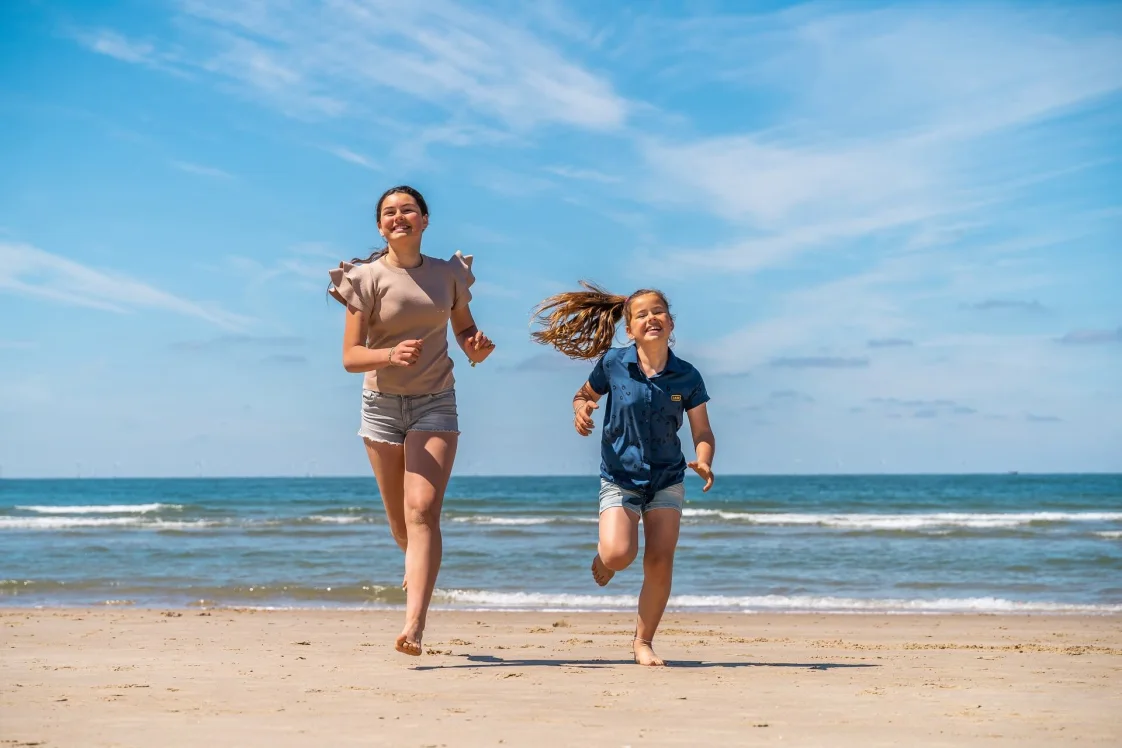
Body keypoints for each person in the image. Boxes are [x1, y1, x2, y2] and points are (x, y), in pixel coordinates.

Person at [328, 185, 494, 656]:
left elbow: (463, 327)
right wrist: (389, 354)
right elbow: (350, 356)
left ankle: (414, 626)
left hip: (435, 402)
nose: (399, 217)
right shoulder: (364, 279)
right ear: (381, 226)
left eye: (408, 210)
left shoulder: (448, 276)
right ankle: (412, 562)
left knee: (422, 510)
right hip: (381, 406)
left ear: (424, 220)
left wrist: (475, 348)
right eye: (389, 213)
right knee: (402, 524)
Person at [532, 282, 715, 666]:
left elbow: (702, 430)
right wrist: (581, 409)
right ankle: (606, 560)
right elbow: (584, 394)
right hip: (620, 476)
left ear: (671, 322)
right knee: (619, 554)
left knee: (660, 559)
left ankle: (643, 642)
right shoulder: (614, 363)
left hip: (668, 478)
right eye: (642, 314)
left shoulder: (688, 376)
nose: (652, 318)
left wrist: (704, 459)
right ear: (629, 329)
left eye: (659, 311)